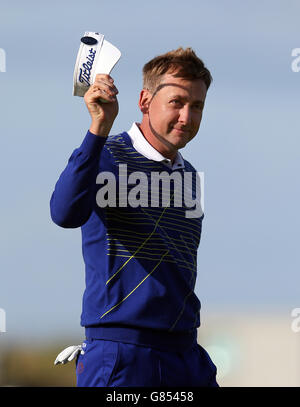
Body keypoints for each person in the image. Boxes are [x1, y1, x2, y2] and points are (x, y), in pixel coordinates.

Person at [50, 47, 218, 387]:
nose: (187, 116)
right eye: (176, 102)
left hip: (185, 353)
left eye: (196, 105)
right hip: (121, 354)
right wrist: (98, 127)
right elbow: (64, 213)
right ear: (144, 101)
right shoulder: (105, 154)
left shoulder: (189, 176)